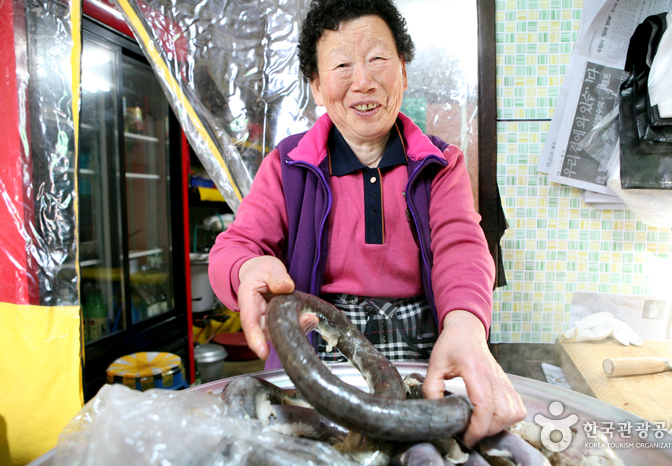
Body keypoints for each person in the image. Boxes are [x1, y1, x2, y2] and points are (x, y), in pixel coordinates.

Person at [209, 0, 526, 447]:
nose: (363, 80)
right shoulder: (287, 164)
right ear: (317, 87)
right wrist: (245, 270)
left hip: (422, 350)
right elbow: (237, 244)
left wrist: (465, 325)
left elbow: (462, 245)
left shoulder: (441, 163)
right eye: (341, 65)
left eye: (378, 59)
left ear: (403, 70)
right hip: (318, 351)